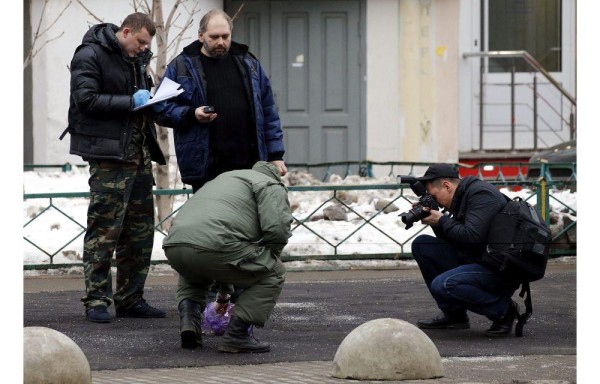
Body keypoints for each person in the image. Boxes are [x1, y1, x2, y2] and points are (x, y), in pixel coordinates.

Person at [62, 13, 168, 323]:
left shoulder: (134, 59)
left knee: (139, 233)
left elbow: (138, 101)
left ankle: (131, 298)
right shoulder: (90, 53)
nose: (143, 48)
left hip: (138, 156)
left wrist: (152, 101)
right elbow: (85, 99)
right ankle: (96, 300)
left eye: (146, 44)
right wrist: (130, 102)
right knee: (104, 231)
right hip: (109, 157)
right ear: (125, 32)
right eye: (141, 42)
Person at [162, 161, 293, 352]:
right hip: (216, 245)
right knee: (273, 273)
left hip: (176, 244)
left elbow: (219, 248)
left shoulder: (223, 179)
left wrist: (224, 295)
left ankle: (190, 325)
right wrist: (269, 258)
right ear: (275, 175)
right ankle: (237, 336)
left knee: (195, 270)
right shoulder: (269, 184)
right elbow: (277, 230)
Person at [154, 9, 287, 193]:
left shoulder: (249, 64)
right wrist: (191, 114)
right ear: (201, 36)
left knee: (246, 221)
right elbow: (159, 109)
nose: (221, 42)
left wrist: (275, 154)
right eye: (214, 37)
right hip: (206, 168)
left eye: (226, 36)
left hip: (250, 165)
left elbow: (269, 111)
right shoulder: (181, 66)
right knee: (212, 221)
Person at [410, 163, 520, 337]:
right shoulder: (463, 197)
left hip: (499, 269)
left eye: (434, 195)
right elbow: (458, 240)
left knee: (444, 284)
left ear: (447, 186)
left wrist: (442, 221)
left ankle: (503, 311)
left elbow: (471, 236)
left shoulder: (481, 195)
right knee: (422, 245)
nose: (434, 200)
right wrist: (436, 221)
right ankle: (455, 315)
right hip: (479, 259)